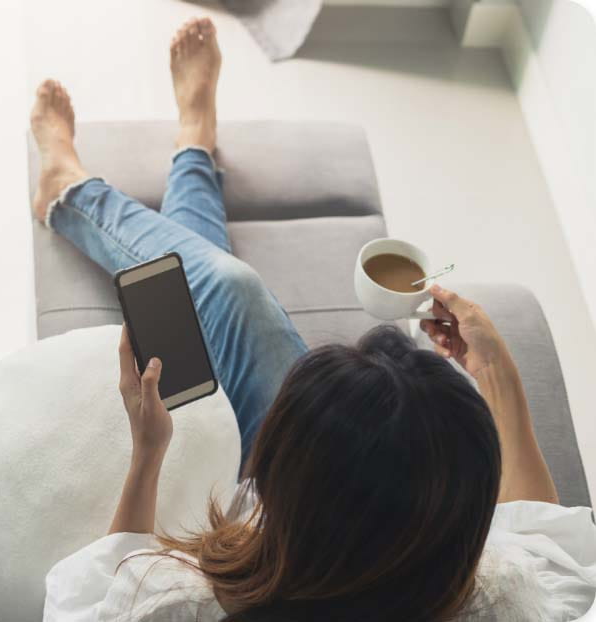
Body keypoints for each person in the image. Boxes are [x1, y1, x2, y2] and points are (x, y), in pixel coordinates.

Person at [35, 17, 596, 622]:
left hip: (257, 499)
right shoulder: (510, 599)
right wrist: (499, 375)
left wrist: (147, 453)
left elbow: (83, 602)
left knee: (229, 287)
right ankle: (190, 149)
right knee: (221, 286)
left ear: (277, 481)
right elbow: (552, 548)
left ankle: (74, 192)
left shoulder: (181, 600)